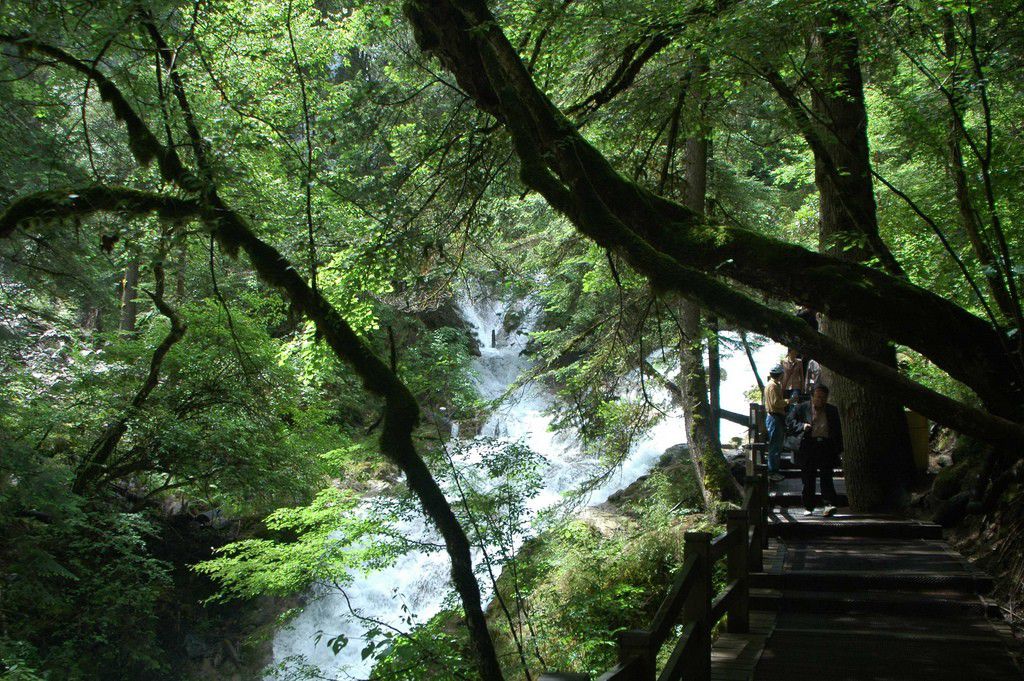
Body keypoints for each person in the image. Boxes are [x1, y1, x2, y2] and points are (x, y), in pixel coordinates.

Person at [787, 384, 843, 516]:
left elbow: (837, 431)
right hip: (808, 445)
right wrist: (802, 426)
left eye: (823, 397)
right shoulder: (802, 408)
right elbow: (789, 421)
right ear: (812, 396)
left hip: (826, 445)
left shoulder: (832, 410)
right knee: (808, 478)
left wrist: (839, 449)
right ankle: (808, 506)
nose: (821, 400)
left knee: (826, 476)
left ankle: (829, 504)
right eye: (818, 397)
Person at [763, 365, 787, 482]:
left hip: (775, 417)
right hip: (774, 417)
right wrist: (788, 401)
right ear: (780, 375)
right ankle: (772, 472)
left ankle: (773, 471)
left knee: (776, 445)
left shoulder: (773, 384)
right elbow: (775, 403)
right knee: (775, 446)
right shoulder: (772, 386)